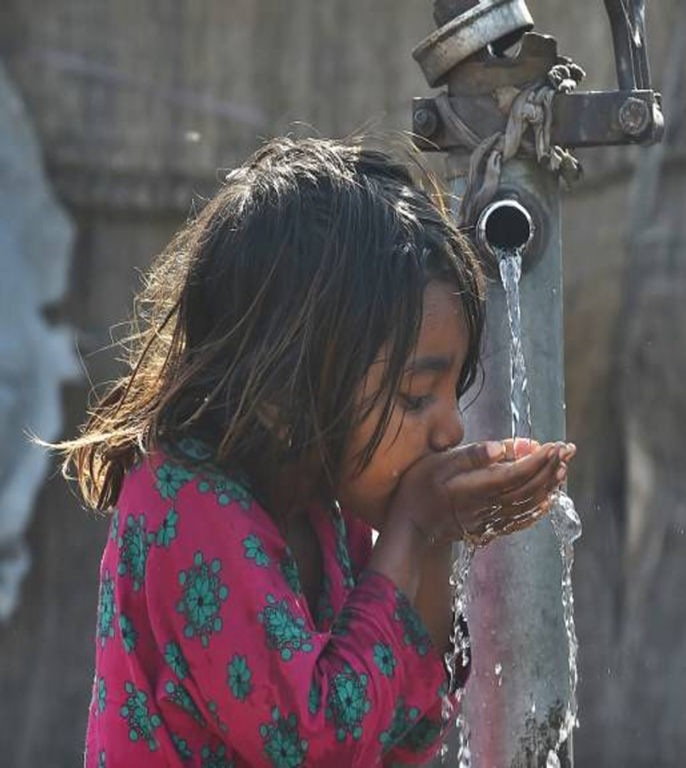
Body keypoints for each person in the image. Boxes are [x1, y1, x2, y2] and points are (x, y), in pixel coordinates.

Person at [53, 136, 576, 767]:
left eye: (451, 391)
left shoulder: (324, 511)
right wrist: (410, 530)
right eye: (416, 396)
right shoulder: (184, 504)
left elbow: (411, 731)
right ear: (285, 396)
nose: (450, 431)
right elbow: (311, 743)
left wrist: (437, 534)